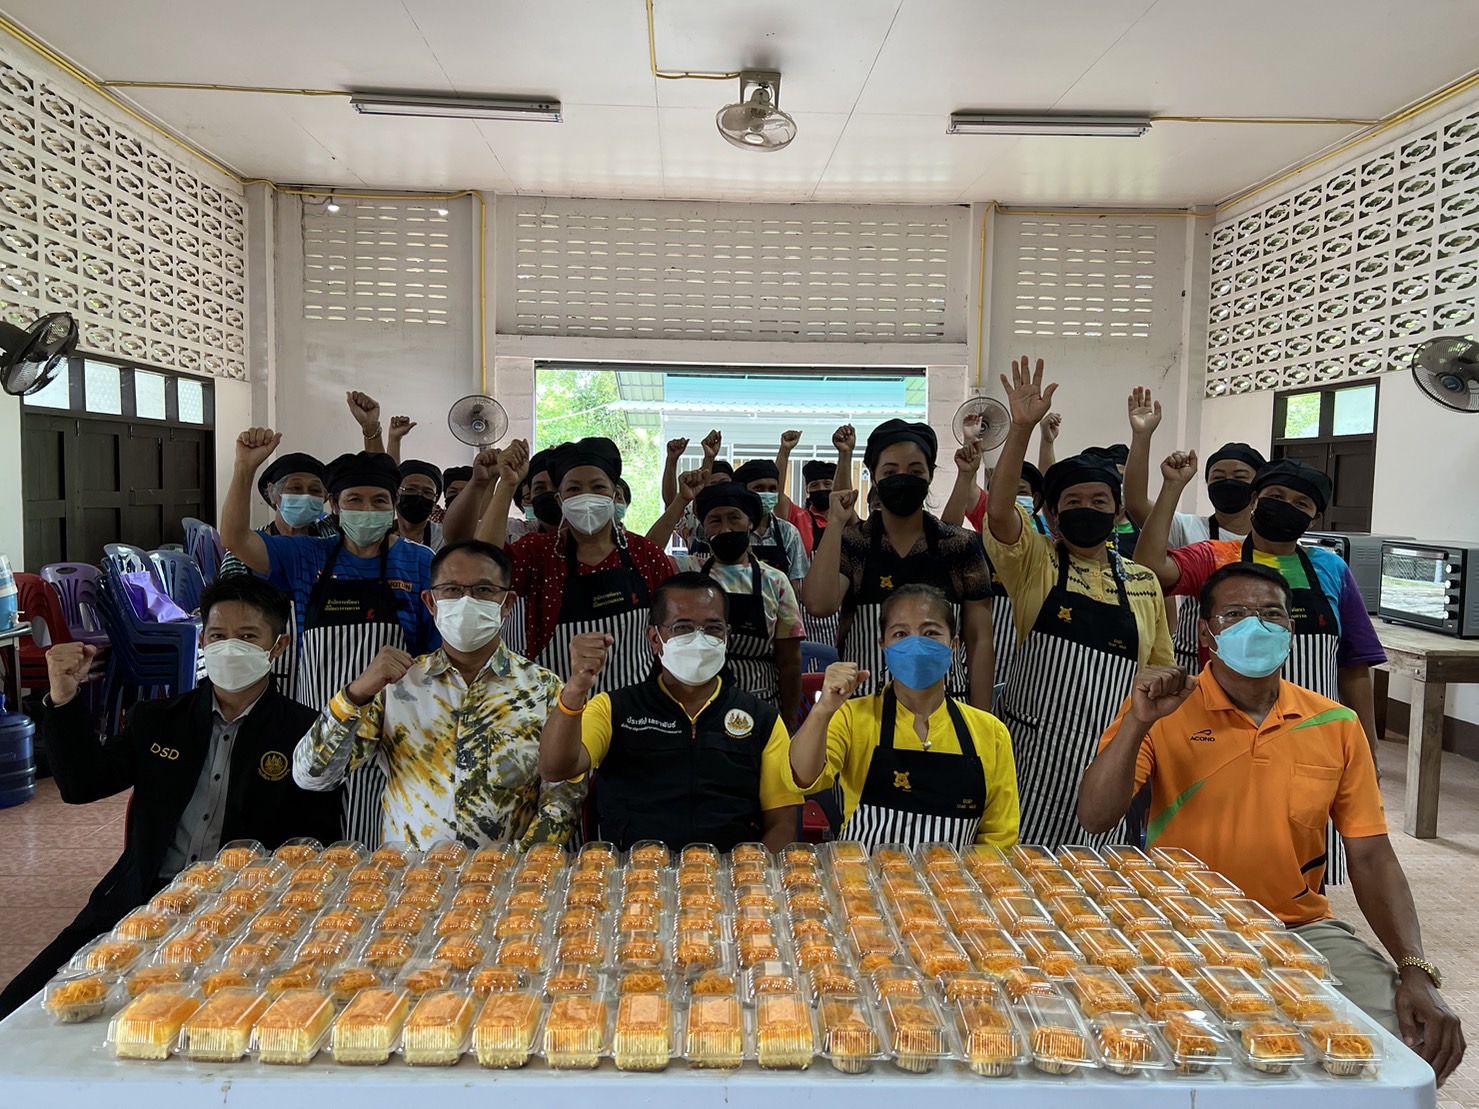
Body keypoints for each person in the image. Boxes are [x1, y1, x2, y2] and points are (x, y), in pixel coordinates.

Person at [1078, 563, 1465, 1086]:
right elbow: (1095, 817)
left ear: (1290, 629)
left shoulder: (1334, 723)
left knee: (1412, 1041)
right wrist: (1138, 724)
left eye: (1271, 614)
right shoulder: (1163, 711)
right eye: (1235, 614)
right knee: (1170, 1052)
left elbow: (1371, 856)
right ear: (1206, 632)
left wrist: (1416, 970)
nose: (1254, 625)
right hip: (1181, 929)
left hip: (1299, 928)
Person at [0, 576, 340, 1019]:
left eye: (248, 636)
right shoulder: (159, 719)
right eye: (218, 635)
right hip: (142, 900)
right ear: (202, 640)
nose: (230, 647)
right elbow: (82, 785)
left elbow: (317, 847)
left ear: (277, 647)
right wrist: (63, 697)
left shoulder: (306, 734)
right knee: (19, 1010)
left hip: (246, 913)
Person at [983, 357, 1174, 848]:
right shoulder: (1033, 562)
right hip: (1033, 752)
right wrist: (1021, 430)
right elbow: (1001, 511)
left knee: (1096, 883)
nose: (1085, 511)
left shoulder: (1143, 582)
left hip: (1113, 754)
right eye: (1072, 503)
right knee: (1018, 875)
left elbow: (1159, 674)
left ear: (1116, 517)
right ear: (1050, 512)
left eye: (1098, 503)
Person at [220, 429, 438, 847]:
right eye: (354, 500)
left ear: (393, 508)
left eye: (379, 501)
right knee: (310, 841)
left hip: (390, 733)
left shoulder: (419, 562)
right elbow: (234, 539)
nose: (367, 509)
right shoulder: (305, 556)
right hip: (313, 725)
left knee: (374, 844)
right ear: (334, 507)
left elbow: (430, 654)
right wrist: (245, 467)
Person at [293, 540, 583, 849]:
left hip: (506, 886)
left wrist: (517, 866)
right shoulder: (397, 686)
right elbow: (312, 776)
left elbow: (563, 796)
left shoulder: (544, 689)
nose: (467, 600)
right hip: (409, 882)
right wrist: (356, 693)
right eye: (453, 590)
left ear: (507, 603)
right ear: (431, 602)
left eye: (484, 590)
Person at [1134, 455, 1386, 764]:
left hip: (1315, 732)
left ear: (1315, 517)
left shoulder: (1331, 568)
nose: (1286, 506)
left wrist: (1368, 747)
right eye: (1276, 497)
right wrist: (1172, 488)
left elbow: (1354, 666)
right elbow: (1149, 571)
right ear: (1254, 499)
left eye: (1300, 503)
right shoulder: (1216, 557)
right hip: (1224, 728)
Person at [537, 574, 803, 850]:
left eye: (713, 628)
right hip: (634, 876)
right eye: (682, 627)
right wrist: (576, 686)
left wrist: (752, 879)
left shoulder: (762, 719)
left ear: (727, 637)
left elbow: (782, 822)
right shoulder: (614, 709)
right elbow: (555, 768)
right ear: (655, 638)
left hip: (730, 879)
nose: (699, 640)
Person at [787, 584, 1019, 849]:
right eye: (901, 634)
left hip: (952, 887)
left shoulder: (991, 733)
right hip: (862, 883)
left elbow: (999, 839)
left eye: (930, 632)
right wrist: (823, 710)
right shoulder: (853, 717)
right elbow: (801, 778)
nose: (915, 644)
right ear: (883, 646)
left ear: (953, 644)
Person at [803, 419, 995, 709]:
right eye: (890, 471)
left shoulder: (959, 545)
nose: (902, 478)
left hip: (944, 709)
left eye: (915, 471)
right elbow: (819, 605)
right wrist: (834, 524)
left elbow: (979, 640)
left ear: (930, 474)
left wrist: (981, 722)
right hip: (865, 710)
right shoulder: (855, 542)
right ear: (874, 477)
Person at [478, 437, 674, 689]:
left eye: (598, 487)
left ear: (615, 496)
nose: (587, 497)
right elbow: (483, 565)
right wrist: (506, 485)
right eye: (574, 489)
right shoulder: (538, 553)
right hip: (552, 706)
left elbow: (669, 629)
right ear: (560, 501)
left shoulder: (645, 554)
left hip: (633, 710)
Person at [1120, 384, 1265, 671]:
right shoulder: (1188, 528)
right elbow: (1135, 502)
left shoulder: (1272, 541)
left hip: (1256, 660)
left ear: (1258, 486)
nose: (1228, 482)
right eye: (1218, 476)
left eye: (1239, 476)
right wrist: (1142, 437)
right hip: (1193, 661)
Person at [673, 482, 804, 724]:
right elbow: (645, 552)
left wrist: (788, 722)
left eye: (734, 518)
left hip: (760, 704)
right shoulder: (687, 570)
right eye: (715, 520)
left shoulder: (775, 581)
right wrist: (680, 500)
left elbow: (790, 661)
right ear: (704, 528)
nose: (726, 528)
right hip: (697, 707)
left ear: (750, 523)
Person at [217, 449, 335, 691]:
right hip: (261, 668)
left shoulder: (332, 541)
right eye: (295, 488)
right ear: (273, 494)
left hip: (323, 669)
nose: (305, 496)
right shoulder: (248, 548)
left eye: (315, 490)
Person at [776, 427, 856, 556]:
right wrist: (784, 451)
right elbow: (776, 494)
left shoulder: (846, 519)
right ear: (807, 490)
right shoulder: (799, 517)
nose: (821, 489)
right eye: (814, 485)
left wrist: (845, 453)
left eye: (827, 484)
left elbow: (845, 492)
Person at [395, 459, 445, 550]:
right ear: (396, 493)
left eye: (428, 492)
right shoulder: (380, 535)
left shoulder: (443, 538)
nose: (419, 495)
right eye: (411, 489)